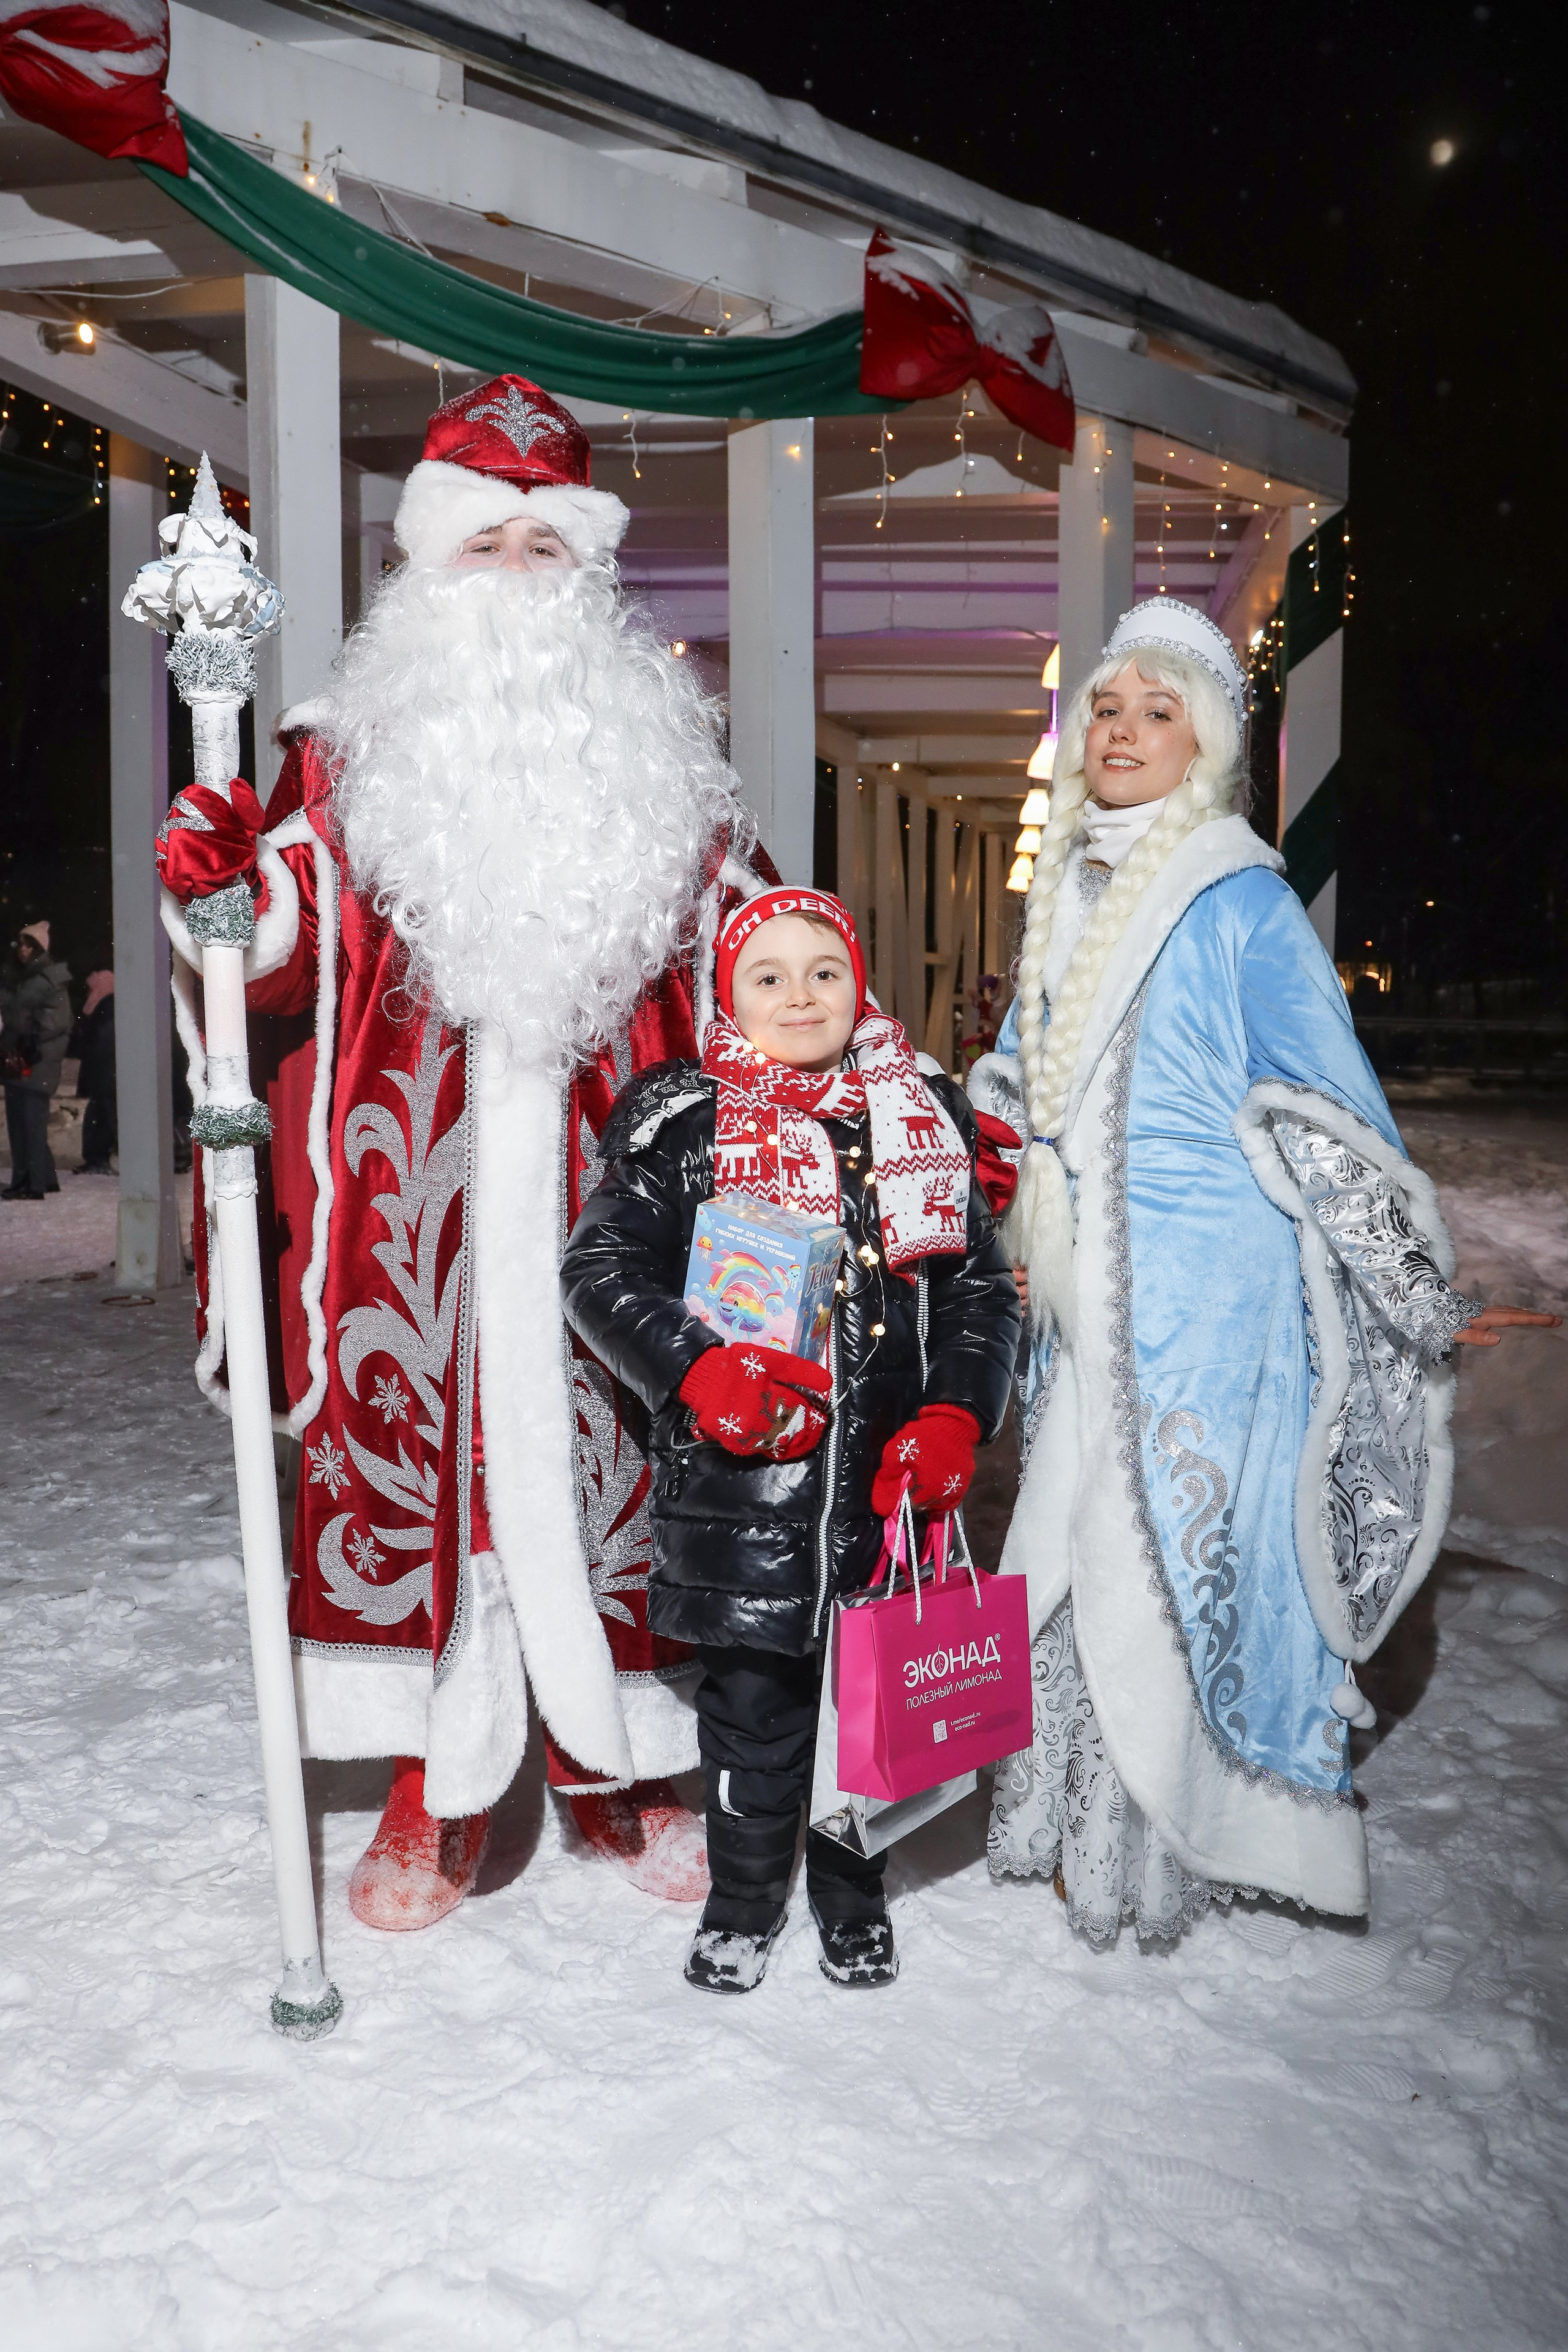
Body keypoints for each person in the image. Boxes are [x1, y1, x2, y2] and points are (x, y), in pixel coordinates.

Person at [155, 374, 770, 1932]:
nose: (512, 577)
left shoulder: (672, 781)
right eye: (481, 546)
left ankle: (612, 1763)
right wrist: (222, 887)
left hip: (610, 1209)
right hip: (404, 1214)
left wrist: (883, 1106)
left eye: (542, 550)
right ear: (428, 569)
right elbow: (271, 955)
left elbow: (775, 967)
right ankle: (439, 1773)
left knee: (614, 1464)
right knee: (430, 1475)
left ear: (592, 575)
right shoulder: (342, 759)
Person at [970, 598, 1559, 1946]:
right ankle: (1071, 1816)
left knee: (1164, 1552)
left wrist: (1384, 1269)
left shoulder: (1238, 896)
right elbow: (1021, 1066)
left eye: (1154, 714)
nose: (1121, 734)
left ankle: (1166, 1846)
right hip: (1077, 1292)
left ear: (1207, 746)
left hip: (1206, 1304)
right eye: (1105, 712)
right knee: (1059, 1539)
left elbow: (1332, 1101)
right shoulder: (1068, 888)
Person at [561, 889, 1020, 1992]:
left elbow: (978, 1291)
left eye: (823, 969)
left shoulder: (922, 1114)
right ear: (729, 997)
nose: (800, 994)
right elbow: (598, 1270)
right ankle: (744, 1897)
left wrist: (959, 1410)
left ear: (859, 979)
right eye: (768, 975)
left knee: (870, 1715)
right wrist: (697, 1366)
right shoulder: (687, 1121)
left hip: (887, 1492)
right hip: (741, 1495)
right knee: (754, 1718)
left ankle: (851, 1892)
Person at [1, 919, 71, 1200]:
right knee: (26, 1122)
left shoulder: (47, 980)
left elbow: (56, 1020)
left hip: (32, 1061)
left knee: (25, 1124)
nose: (24, 950)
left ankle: (30, 1184)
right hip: (24, 1060)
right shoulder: (28, 978)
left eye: (31, 945)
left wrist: (28, 1036)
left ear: (41, 948)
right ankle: (43, 1178)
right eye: (22, 944)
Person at [69, 959, 116, 1173]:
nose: (89, 993)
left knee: (100, 1118)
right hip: (105, 1076)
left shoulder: (107, 1008)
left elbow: (99, 1046)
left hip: (105, 1076)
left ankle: (98, 1159)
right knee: (99, 1116)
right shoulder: (107, 1007)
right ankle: (97, 1158)